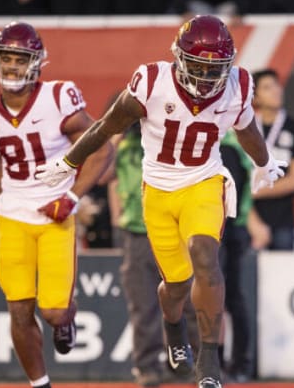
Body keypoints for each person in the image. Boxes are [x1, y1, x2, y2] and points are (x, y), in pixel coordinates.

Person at [34, 14, 287, 388]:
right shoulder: (153, 81)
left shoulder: (237, 85)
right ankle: (173, 332)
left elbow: (246, 127)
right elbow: (107, 125)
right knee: (177, 286)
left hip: (204, 180)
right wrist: (69, 161)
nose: (205, 76)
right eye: (198, 66)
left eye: (214, 67)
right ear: (181, 59)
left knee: (205, 255)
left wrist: (263, 162)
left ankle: (210, 360)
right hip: (158, 190)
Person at [0, 21, 112, 388]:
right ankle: (39, 384)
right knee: (18, 308)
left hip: (54, 216)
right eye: (7, 58)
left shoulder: (58, 98)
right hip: (12, 216)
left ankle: (67, 321)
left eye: (20, 59)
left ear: (37, 62)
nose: (12, 67)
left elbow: (101, 149)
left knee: (54, 311)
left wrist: (71, 197)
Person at [112, 122, 199, 388]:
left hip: (178, 232)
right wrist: (113, 140)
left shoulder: (175, 141)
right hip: (137, 232)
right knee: (144, 306)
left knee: (190, 302)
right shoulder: (123, 148)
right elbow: (103, 176)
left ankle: (194, 366)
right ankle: (147, 367)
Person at [249, 68, 294, 251]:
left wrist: (250, 193)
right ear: (255, 98)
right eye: (267, 87)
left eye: (277, 85)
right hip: (245, 217)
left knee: (281, 273)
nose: (276, 90)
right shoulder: (243, 129)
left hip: (282, 220)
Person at [217, 129, 253, 381]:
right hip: (228, 229)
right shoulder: (233, 145)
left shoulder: (227, 148)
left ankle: (236, 362)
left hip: (223, 231)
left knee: (224, 297)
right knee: (225, 297)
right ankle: (230, 362)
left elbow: (231, 194)